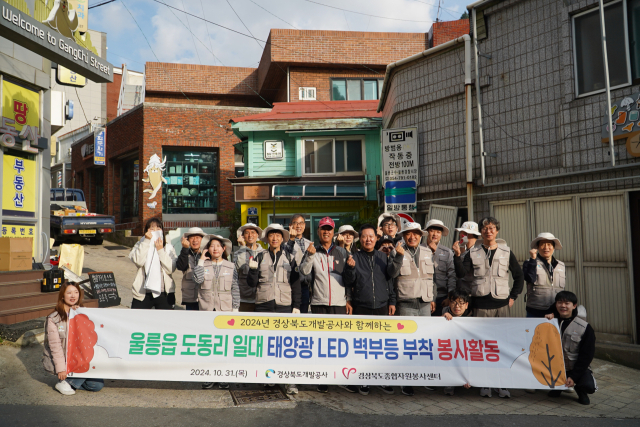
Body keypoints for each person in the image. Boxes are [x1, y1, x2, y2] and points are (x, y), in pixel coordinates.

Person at [453, 216, 524, 398]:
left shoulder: (506, 251)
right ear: (481, 232)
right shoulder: (473, 251)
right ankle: (485, 383)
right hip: (481, 304)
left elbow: (519, 276)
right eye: (485, 228)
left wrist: (513, 296)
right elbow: (461, 273)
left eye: (491, 228)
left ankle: (501, 383)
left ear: (497, 231)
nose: (488, 231)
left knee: (501, 345)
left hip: (501, 304)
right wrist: (457, 256)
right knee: (482, 346)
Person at [247, 223, 302, 396]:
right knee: (266, 344)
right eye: (272, 235)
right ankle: (269, 376)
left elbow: (296, 283)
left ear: (282, 238)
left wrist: (297, 306)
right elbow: (251, 283)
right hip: (263, 304)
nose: (275, 238)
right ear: (267, 238)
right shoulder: (259, 256)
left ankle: (290, 381)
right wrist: (253, 270)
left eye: (278, 235)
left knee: (286, 345)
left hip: (284, 305)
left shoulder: (290, 257)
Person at [298, 217, 350, 394]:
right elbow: (303, 272)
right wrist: (310, 255)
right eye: (323, 229)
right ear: (318, 232)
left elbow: (350, 279)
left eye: (329, 229)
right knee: (321, 344)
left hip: (339, 304)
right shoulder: (312, 250)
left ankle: (341, 376)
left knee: (339, 343)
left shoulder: (342, 252)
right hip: (319, 303)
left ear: (333, 232)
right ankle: (322, 378)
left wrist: (348, 299)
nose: (326, 232)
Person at [343, 223, 396, 396]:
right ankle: (364, 380)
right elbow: (349, 282)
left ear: (376, 238)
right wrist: (349, 269)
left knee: (380, 346)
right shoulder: (354, 257)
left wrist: (392, 301)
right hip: (362, 306)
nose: (368, 239)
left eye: (371, 236)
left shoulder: (383, 256)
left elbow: (390, 282)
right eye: (365, 236)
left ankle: (382, 379)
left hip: (381, 306)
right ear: (360, 238)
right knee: (363, 346)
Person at [388, 222, 436, 396]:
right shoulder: (397, 250)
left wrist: (432, 298)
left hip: (425, 304)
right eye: (409, 233)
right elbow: (391, 275)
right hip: (405, 303)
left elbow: (433, 278)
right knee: (406, 344)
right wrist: (398, 257)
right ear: (403, 235)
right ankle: (406, 381)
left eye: (416, 233)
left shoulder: (427, 252)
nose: (412, 237)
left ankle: (425, 378)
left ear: (421, 236)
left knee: (424, 343)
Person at [43, 282, 104, 395]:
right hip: (66, 361)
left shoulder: (83, 313)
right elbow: (55, 346)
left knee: (96, 385)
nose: (73, 296)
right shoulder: (53, 318)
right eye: (69, 292)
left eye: (76, 292)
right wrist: (61, 369)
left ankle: (71, 382)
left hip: (81, 358)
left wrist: (79, 312)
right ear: (62, 296)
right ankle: (66, 382)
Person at [195, 234, 239, 391]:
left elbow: (235, 288)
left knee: (224, 345)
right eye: (212, 246)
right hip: (207, 310)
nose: (215, 249)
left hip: (225, 311)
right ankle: (208, 376)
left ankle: (223, 376)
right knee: (208, 345)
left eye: (218, 246)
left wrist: (235, 308)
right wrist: (201, 259)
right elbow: (198, 280)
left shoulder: (231, 266)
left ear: (223, 249)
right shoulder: (202, 264)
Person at [545, 291, 596, 405]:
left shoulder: (584, 328)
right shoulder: (549, 322)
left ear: (574, 305)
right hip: (555, 367)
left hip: (575, 367)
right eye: (559, 303)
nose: (563, 306)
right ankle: (559, 387)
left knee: (588, 386)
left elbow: (586, 356)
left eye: (567, 303)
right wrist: (547, 318)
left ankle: (580, 390)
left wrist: (574, 377)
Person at [128, 218, 177, 310]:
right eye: (152, 229)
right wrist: (146, 241)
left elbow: (171, 268)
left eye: (158, 229)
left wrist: (160, 250)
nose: (155, 232)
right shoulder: (140, 245)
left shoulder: (169, 247)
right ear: (146, 231)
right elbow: (138, 261)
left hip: (165, 293)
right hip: (142, 293)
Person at [523, 232, 566, 318]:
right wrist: (533, 259)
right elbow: (530, 278)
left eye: (549, 244)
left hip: (555, 312)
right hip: (535, 311)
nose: (546, 247)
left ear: (554, 247)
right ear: (537, 247)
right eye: (542, 244)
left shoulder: (561, 265)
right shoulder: (529, 262)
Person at [441, 288, 473, 397]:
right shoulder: (444, 313)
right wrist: (442, 319)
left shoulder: (472, 317)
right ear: (449, 303)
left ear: (466, 305)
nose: (457, 306)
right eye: (454, 302)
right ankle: (449, 382)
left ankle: (468, 379)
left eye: (461, 303)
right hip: (450, 349)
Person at [423, 219, 456, 316]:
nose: (435, 234)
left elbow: (451, 276)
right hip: (424, 297)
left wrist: (449, 297)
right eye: (432, 231)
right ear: (427, 232)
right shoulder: (419, 250)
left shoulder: (447, 252)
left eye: (438, 232)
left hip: (443, 297)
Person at [235, 223, 265, 312]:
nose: (250, 235)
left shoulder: (264, 252)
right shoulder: (238, 252)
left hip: (261, 298)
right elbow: (239, 266)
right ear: (243, 236)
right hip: (244, 298)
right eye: (247, 233)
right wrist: (242, 247)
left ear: (257, 235)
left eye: (253, 232)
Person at [176, 227, 207, 310]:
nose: (194, 240)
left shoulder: (208, 254)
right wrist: (185, 249)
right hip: (190, 298)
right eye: (192, 237)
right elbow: (180, 266)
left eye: (197, 237)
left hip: (206, 298)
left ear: (202, 239)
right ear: (188, 240)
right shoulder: (185, 253)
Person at [288, 214, 313, 313]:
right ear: (290, 225)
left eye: (301, 223)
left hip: (305, 285)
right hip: (290, 286)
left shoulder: (309, 243)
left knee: (303, 314)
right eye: (295, 223)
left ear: (304, 225)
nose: (298, 226)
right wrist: (291, 239)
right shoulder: (285, 243)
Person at [452, 221, 482, 293]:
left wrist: (458, 256)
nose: (460, 235)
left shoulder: (479, 251)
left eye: (462, 233)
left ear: (466, 235)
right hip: (461, 292)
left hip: (473, 292)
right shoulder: (463, 250)